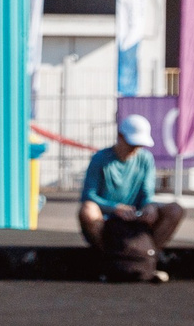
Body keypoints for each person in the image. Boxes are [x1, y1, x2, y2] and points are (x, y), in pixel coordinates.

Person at [77, 113, 183, 283]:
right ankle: (112, 261)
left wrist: (149, 206)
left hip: (136, 218)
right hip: (108, 220)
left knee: (175, 209)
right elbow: (88, 196)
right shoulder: (100, 159)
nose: (135, 149)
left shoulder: (145, 159)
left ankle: (146, 260)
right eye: (132, 144)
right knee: (88, 210)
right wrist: (115, 208)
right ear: (120, 136)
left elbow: (147, 193)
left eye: (139, 145)